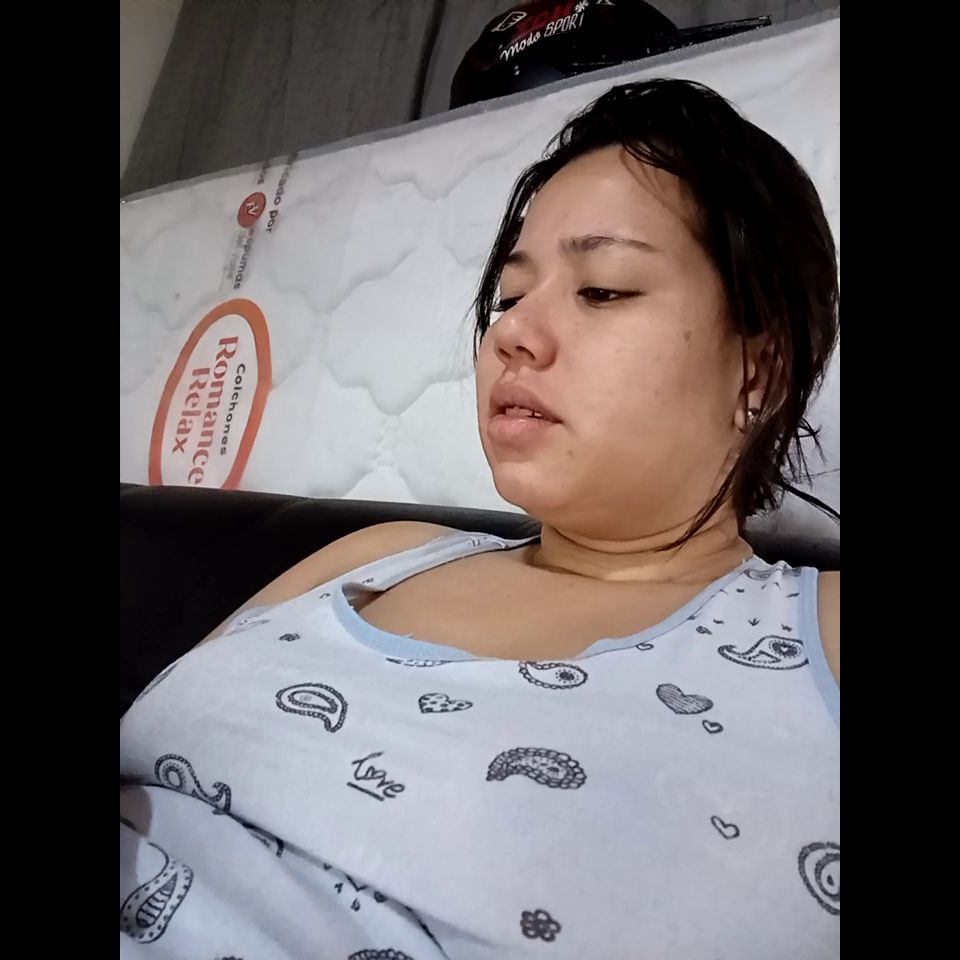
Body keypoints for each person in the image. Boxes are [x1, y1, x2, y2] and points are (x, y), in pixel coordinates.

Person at [120, 79, 840, 960]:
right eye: (508, 296)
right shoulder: (382, 555)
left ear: (759, 371)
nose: (511, 334)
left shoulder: (817, 636)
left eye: (603, 289)